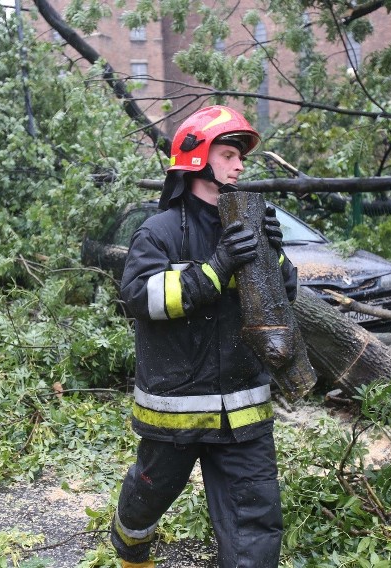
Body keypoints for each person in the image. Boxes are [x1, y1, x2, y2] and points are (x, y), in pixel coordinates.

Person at [110, 105, 298, 568]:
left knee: (256, 518)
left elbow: (283, 298)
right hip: (176, 409)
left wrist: (273, 255)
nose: (239, 165)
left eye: (241, 157)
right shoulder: (157, 233)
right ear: (196, 157)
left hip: (243, 408)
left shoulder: (247, 224)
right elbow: (143, 297)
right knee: (148, 497)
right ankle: (131, 550)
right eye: (230, 153)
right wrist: (215, 270)